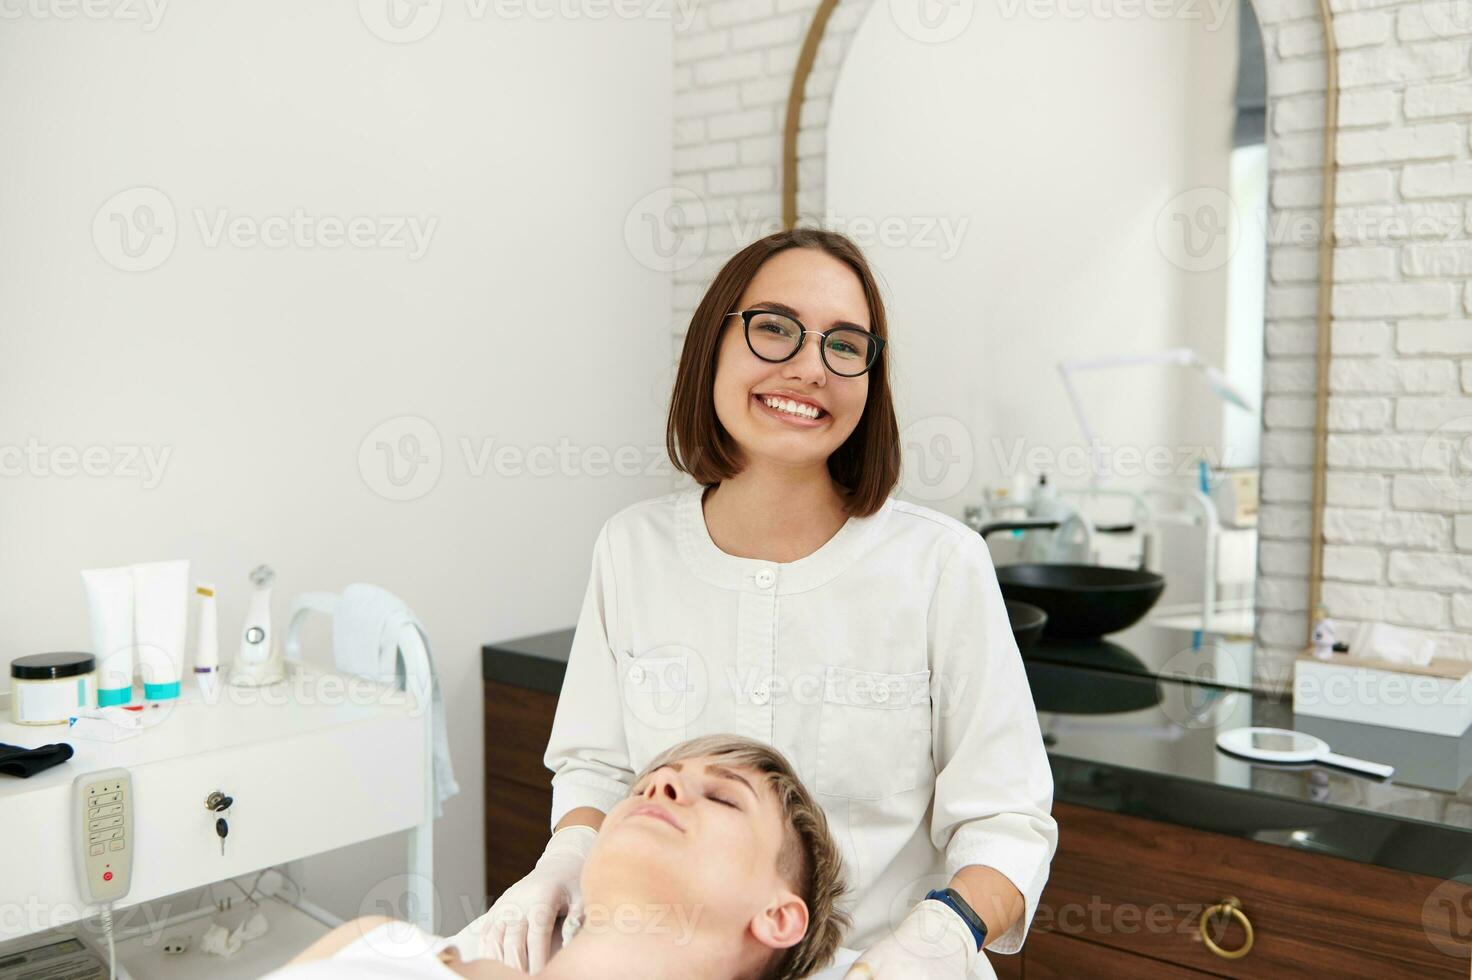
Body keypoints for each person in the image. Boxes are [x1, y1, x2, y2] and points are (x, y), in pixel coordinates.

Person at [464, 228, 1059, 979]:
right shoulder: (632, 549)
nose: (811, 368)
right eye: (775, 329)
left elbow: (1006, 822)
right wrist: (562, 864)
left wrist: (937, 939)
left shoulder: (940, 564)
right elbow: (595, 769)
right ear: (714, 345)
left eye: (846, 345)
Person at [264, 734, 850, 980]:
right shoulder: (378, 949)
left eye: (723, 797)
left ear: (779, 916)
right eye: (648, 783)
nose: (659, 788)